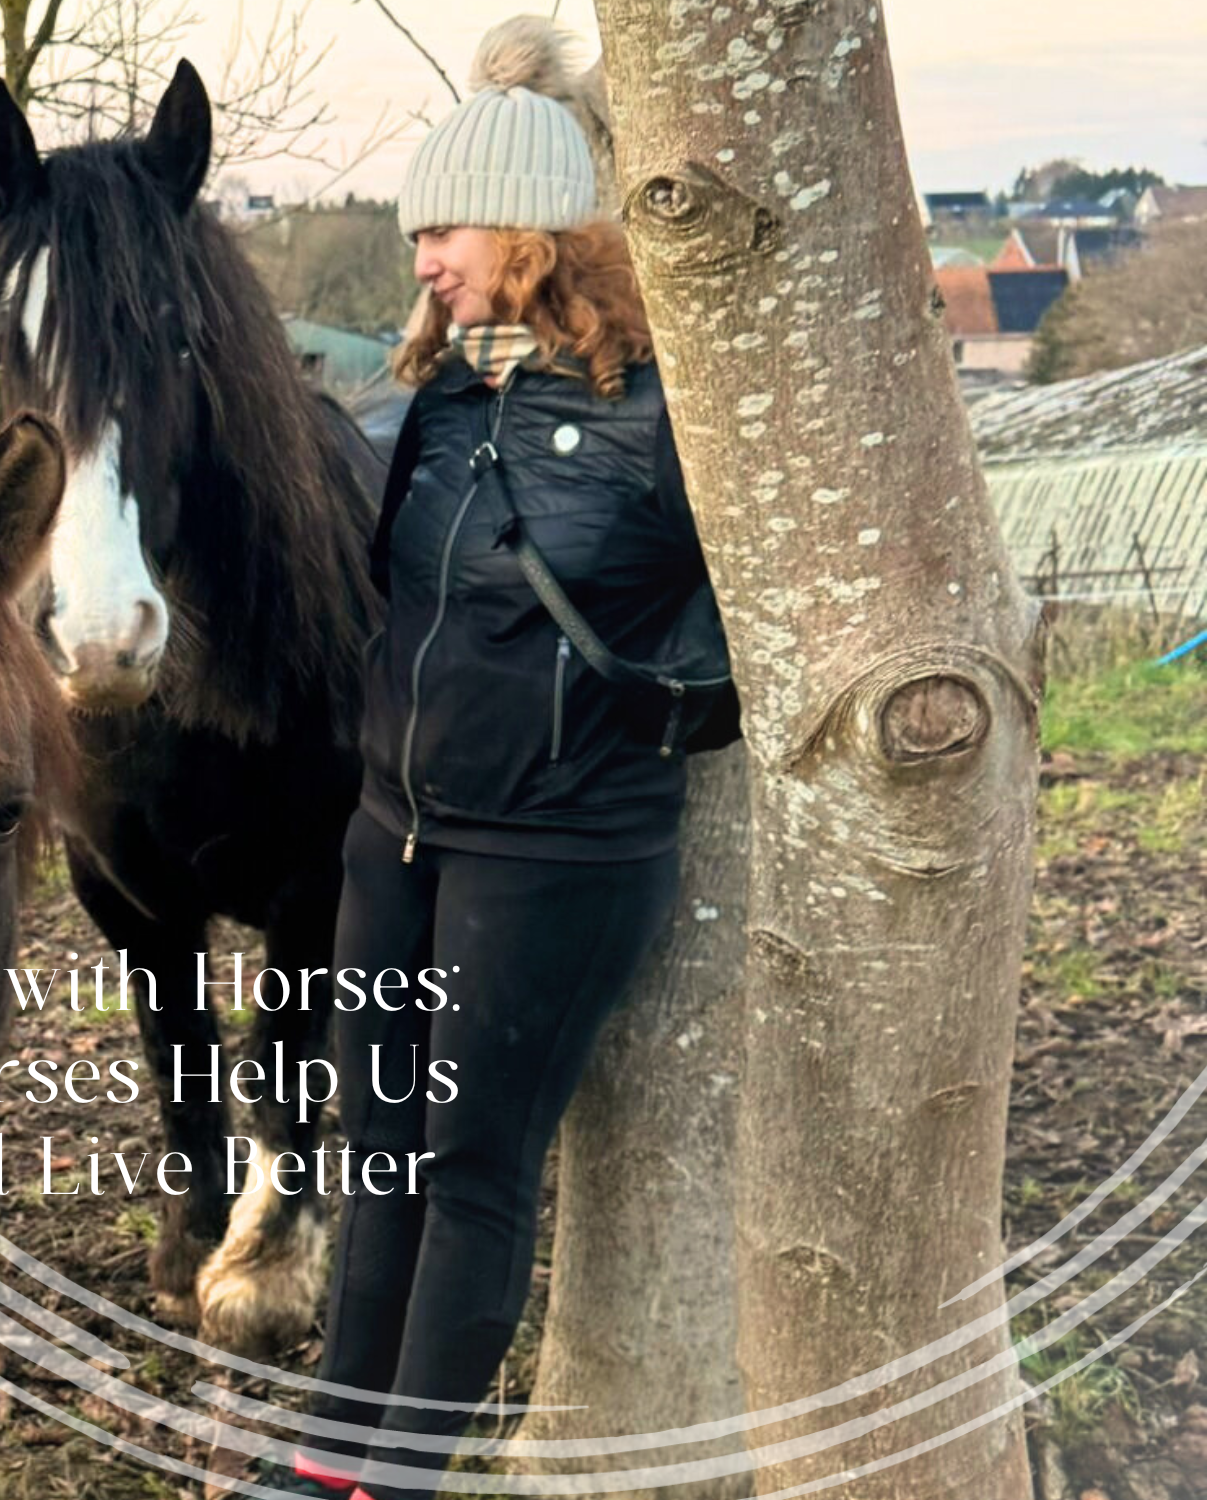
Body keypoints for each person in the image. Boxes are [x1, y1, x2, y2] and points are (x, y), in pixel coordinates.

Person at [245, 15, 734, 1500]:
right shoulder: (448, 399)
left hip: (558, 853)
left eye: (441, 230)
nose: (421, 261)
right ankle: (331, 1457)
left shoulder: (666, 412)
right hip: (396, 836)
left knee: (469, 1166)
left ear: (530, 231)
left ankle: (396, 1477)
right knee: (381, 1149)